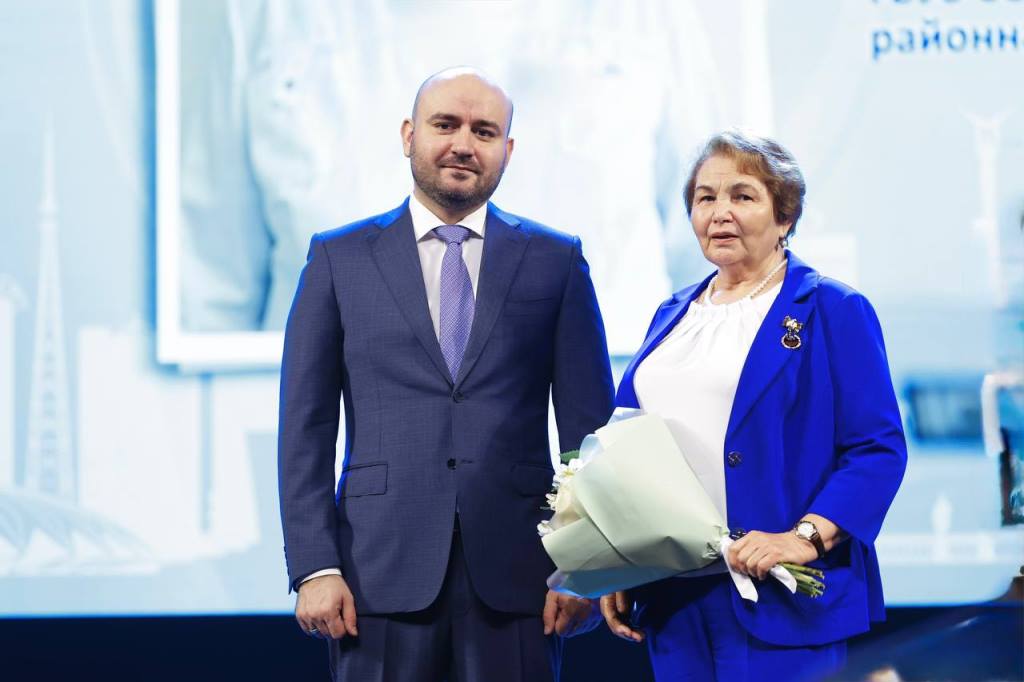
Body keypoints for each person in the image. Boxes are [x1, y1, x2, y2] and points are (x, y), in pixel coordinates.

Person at [278, 67, 615, 681]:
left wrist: (587, 567)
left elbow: (588, 434)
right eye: (445, 125)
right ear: (409, 135)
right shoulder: (338, 257)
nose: (463, 144)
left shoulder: (556, 259)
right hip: (374, 574)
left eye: (483, 131)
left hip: (522, 577)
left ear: (507, 149)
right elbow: (305, 427)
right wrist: (314, 566)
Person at [600, 131, 907, 681]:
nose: (720, 212)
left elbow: (876, 450)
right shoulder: (672, 314)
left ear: (784, 216)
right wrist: (617, 557)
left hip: (778, 598)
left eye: (742, 196)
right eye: (705, 197)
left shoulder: (832, 308)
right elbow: (628, 446)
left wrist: (804, 537)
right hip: (674, 601)